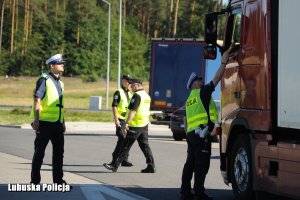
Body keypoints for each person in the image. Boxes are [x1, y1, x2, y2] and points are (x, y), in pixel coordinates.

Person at [180, 50, 230, 200]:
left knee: (190, 163)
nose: (202, 81)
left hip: (191, 135)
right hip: (201, 135)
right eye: (199, 80)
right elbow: (217, 78)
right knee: (202, 164)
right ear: (194, 84)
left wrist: (189, 135)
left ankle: (185, 192)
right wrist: (223, 63)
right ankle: (199, 193)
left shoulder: (189, 99)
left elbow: (185, 120)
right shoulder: (202, 93)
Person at [103, 78, 156, 173]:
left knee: (125, 146)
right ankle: (151, 166)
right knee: (145, 146)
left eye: (132, 86)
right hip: (144, 124)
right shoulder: (147, 96)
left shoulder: (137, 95)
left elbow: (133, 110)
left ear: (138, 85)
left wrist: (126, 123)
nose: (131, 87)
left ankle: (114, 165)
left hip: (135, 125)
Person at [30, 53, 67, 184]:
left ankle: (58, 180)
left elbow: (59, 105)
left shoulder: (60, 83)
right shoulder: (44, 80)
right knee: (39, 153)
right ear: (52, 66)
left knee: (59, 153)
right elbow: (37, 99)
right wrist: (36, 120)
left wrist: (63, 122)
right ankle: (35, 181)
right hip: (44, 123)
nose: (63, 65)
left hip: (57, 124)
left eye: (63, 63)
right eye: (59, 63)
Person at [108, 75, 134, 167]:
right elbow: (114, 106)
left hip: (127, 120)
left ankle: (124, 160)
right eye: (128, 81)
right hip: (120, 119)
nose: (129, 83)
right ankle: (115, 159)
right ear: (123, 81)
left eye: (130, 82)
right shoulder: (118, 92)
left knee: (126, 140)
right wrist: (116, 119)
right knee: (122, 139)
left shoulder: (130, 94)